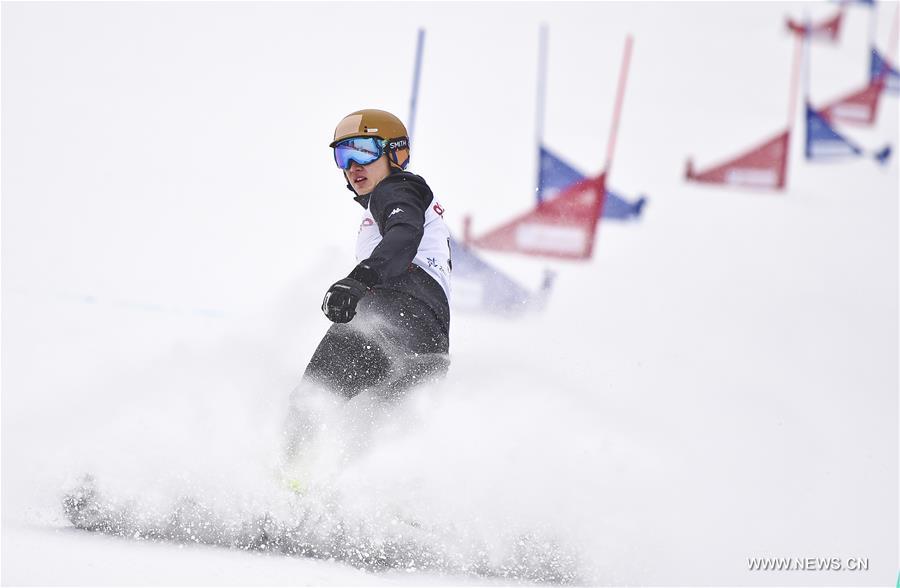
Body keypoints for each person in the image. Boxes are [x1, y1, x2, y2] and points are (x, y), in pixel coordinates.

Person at [282, 109, 452, 471]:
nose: (353, 166)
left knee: (310, 403)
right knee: (368, 436)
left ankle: (283, 498)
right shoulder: (404, 200)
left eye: (364, 151)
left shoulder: (396, 191)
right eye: (343, 156)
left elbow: (404, 235)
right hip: (429, 344)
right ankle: (368, 513)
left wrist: (360, 279)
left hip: (392, 317)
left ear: (395, 153)